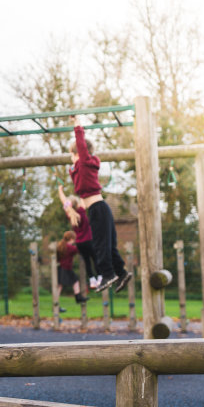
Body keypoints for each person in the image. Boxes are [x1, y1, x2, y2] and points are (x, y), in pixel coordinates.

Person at [69, 116, 131, 293]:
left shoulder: (86, 162)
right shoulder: (83, 169)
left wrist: (77, 123)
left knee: (99, 245)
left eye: (72, 155)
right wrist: (72, 170)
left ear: (78, 154)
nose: (71, 159)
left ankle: (108, 274)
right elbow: (79, 186)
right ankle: (121, 272)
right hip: (100, 209)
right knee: (109, 244)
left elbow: (81, 144)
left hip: (98, 209)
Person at [58, 185, 99, 290]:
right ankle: (100, 276)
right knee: (95, 258)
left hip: (79, 243)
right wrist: (80, 186)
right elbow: (83, 197)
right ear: (77, 205)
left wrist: (60, 190)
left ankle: (92, 281)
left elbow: (64, 201)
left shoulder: (70, 214)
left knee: (87, 262)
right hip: (89, 240)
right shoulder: (81, 211)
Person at [56, 230, 89, 307]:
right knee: (60, 286)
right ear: (71, 239)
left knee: (75, 280)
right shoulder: (69, 247)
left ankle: (78, 297)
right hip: (64, 268)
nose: (74, 241)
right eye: (74, 239)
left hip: (64, 268)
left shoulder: (61, 245)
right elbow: (79, 250)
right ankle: (56, 304)